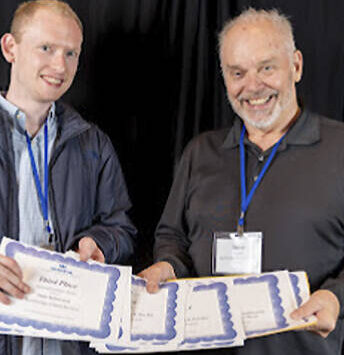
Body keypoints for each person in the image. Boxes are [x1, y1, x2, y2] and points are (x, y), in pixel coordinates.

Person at [139, 8, 344, 355]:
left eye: (266, 67)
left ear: (295, 66)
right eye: (238, 72)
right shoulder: (200, 153)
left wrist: (336, 298)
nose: (252, 86)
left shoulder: (340, 147)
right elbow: (172, 236)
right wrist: (167, 266)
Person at [0, 1, 136, 354]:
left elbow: (122, 228)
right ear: (10, 48)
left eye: (71, 53)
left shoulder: (93, 144)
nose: (59, 66)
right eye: (46, 48)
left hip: (66, 344)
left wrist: (100, 244)